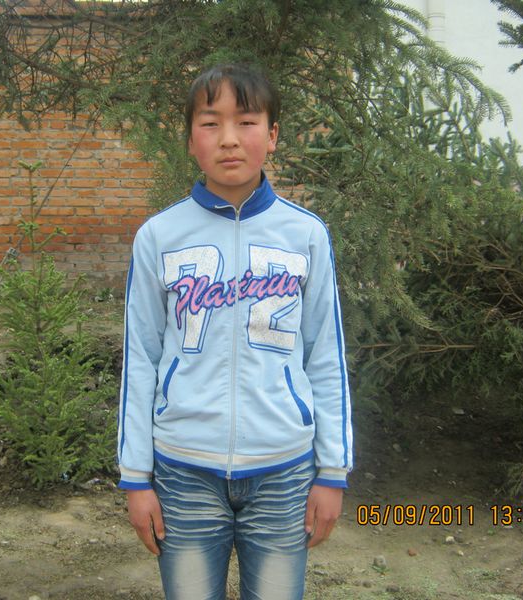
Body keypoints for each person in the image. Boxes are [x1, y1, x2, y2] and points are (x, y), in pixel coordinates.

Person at [117, 63, 353, 600]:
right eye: (210, 123)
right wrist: (135, 477)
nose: (228, 138)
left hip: (284, 470)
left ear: (272, 135)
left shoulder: (306, 235)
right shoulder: (158, 236)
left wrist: (332, 471)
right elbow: (141, 359)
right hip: (183, 469)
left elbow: (325, 356)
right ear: (190, 140)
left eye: (246, 122)